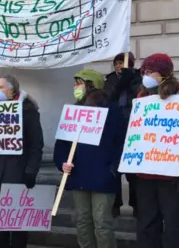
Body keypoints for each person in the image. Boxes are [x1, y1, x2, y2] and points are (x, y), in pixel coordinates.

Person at [136, 53, 179, 248]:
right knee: (147, 228)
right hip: (146, 176)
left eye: (150, 71)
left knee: (176, 230)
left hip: (175, 177)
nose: (145, 75)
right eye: (144, 71)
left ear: (164, 73)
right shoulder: (142, 97)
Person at [54, 69, 126, 248]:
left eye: (79, 83)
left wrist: (114, 168)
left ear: (91, 85)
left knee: (102, 222)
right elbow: (62, 143)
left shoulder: (112, 110)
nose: (76, 87)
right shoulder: (74, 110)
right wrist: (62, 162)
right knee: (83, 221)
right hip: (78, 174)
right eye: (76, 83)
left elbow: (121, 142)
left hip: (103, 176)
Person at [0, 75, 44, 248]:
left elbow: (36, 145)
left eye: (1, 87)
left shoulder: (28, 110)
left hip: (17, 173)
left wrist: (31, 171)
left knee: (17, 224)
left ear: (12, 90)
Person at [104, 52, 142, 218]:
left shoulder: (139, 78)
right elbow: (107, 98)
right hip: (116, 129)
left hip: (134, 129)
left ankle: (136, 205)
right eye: (117, 63)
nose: (119, 66)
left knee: (133, 173)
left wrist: (130, 81)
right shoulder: (111, 79)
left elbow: (141, 96)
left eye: (122, 62)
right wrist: (119, 84)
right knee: (116, 170)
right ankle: (115, 204)